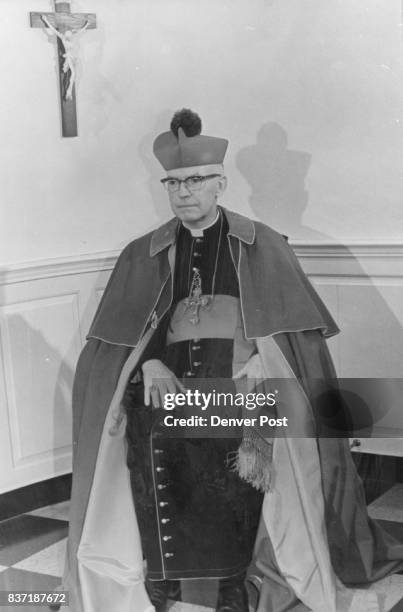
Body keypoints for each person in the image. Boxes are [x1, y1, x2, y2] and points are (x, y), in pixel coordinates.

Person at [61, 109, 403, 612]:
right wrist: (147, 367)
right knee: (146, 427)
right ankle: (163, 578)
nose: (183, 193)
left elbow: (294, 346)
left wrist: (267, 364)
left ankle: (228, 583)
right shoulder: (143, 252)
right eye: (172, 183)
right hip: (170, 383)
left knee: (229, 433)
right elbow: (126, 342)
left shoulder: (262, 244)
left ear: (220, 183)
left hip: (246, 384)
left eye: (195, 180)